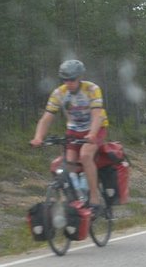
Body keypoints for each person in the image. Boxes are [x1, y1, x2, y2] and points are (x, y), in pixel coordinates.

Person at [30, 59, 109, 218]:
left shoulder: (92, 89)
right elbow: (46, 118)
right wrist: (38, 137)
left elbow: (96, 115)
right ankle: (77, 198)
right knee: (68, 164)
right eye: (65, 79)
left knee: (86, 156)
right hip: (73, 130)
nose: (69, 82)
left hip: (96, 127)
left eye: (72, 79)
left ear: (79, 77)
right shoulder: (59, 93)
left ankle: (95, 199)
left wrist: (92, 134)